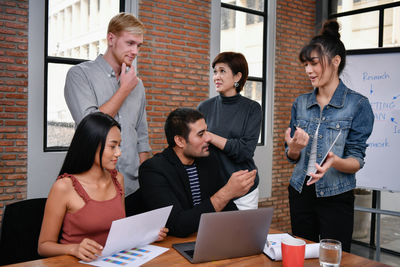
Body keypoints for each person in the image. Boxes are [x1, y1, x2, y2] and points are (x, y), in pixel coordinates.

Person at [284, 20, 374, 252]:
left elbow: (356, 160)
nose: (308, 71)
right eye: (305, 64)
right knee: (302, 255)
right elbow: (292, 156)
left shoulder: (358, 105)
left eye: (314, 63)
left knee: (335, 257)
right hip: (301, 191)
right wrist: (293, 149)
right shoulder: (300, 103)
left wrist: (335, 161)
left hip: (337, 195)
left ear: (336, 61)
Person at [38, 112, 167, 262]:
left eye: (119, 145)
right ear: (91, 145)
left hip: (112, 261)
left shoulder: (118, 179)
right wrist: (74, 248)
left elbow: (118, 233)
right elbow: (43, 246)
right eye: (112, 146)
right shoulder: (64, 187)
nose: (118, 153)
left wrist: (147, 235)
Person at [64, 12, 150, 196]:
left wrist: (145, 178)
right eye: (130, 43)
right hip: (93, 188)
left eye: (139, 45)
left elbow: (141, 136)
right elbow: (90, 125)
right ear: (111, 38)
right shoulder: (79, 75)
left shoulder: (138, 84)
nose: (135, 51)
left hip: (133, 187)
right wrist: (124, 89)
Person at [139, 108, 257, 237]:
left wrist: (246, 226)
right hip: (170, 247)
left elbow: (228, 209)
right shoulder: (153, 170)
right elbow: (178, 225)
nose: (208, 138)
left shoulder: (208, 160)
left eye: (207, 131)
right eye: (201, 134)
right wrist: (227, 193)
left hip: (204, 239)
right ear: (180, 141)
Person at [198, 52, 262, 210]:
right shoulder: (203, 107)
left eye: (222, 71)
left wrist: (211, 137)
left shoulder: (252, 109)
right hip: (212, 190)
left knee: (242, 235)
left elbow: (244, 151)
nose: (216, 76)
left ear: (237, 76)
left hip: (243, 190)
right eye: (215, 71)